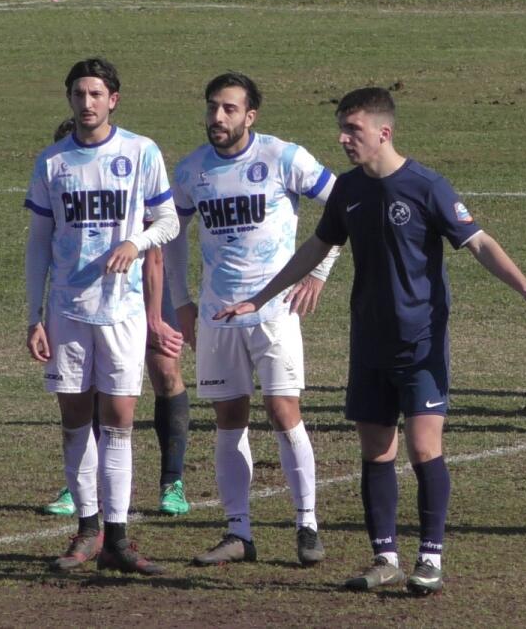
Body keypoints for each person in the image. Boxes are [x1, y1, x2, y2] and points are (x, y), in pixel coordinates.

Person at [216, 87, 526, 595]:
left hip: (420, 341)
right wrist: (262, 296)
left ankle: (430, 558)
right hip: (370, 341)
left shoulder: (427, 186)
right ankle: (385, 558)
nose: (342, 138)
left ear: (384, 132)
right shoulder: (349, 190)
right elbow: (318, 245)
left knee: (424, 448)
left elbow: (480, 242)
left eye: (352, 129)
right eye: (341, 127)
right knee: (376, 451)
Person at [164, 72, 339, 566]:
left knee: (285, 415)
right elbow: (172, 233)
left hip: (275, 313)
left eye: (229, 109)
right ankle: (238, 532)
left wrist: (320, 272)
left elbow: (344, 205)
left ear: (251, 115)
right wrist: (182, 302)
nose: (217, 118)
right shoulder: (191, 170)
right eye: (212, 108)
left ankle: (307, 524)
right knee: (227, 421)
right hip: (218, 317)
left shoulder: (284, 157)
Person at [25, 58, 178, 575]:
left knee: (118, 424)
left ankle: (118, 538)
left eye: (96, 94)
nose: (86, 103)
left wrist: (136, 242)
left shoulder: (140, 152)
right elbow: (39, 244)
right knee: (74, 422)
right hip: (67, 312)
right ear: (68, 99)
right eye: (78, 94)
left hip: (123, 314)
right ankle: (87, 531)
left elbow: (170, 221)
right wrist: (33, 315)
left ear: (113, 99)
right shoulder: (52, 162)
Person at [42, 117, 192, 519]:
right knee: (86, 384)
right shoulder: (58, 181)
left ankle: (171, 481)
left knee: (164, 373)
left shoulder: (125, 172)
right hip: (83, 302)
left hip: (143, 293)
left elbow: (155, 257)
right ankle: (81, 487)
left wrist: (155, 321)